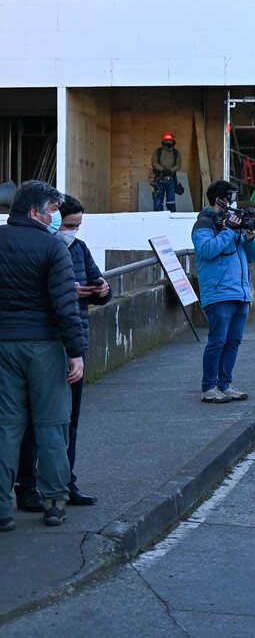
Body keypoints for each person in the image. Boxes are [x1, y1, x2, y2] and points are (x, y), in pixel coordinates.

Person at [14, 195, 110, 511]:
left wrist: (102, 291)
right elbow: (39, 295)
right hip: (45, 343)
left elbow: (98, 285)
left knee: (68, 420)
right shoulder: (41, 247)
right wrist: (72, 292)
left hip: (72, 341)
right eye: (69, 224)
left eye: (77, 226)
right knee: (31, 421)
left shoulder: (79, 249)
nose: (73, 231)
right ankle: (28, 487)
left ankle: (64, 483)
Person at [0, 181, 86, 529]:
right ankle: (54, 502)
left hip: (4, 345)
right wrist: (76, 352)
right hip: (46, 346)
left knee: (6, 426)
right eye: (52, 210)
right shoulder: (53, 249)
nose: (56, 217)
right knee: (52, 424)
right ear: (36, 212)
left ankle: (3, 510)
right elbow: (66, 307)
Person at [192, 180, 255, 403]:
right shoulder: (204, 224)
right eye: (230, 198)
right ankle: (209, 387)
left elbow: (253, 255)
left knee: (233, 342)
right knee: (217, 341)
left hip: (240, 293)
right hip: (219, 293)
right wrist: (229, 230)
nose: (233, 203)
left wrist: (250, 238)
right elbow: (207, 250)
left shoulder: (231, 223)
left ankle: (225, 384)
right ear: (219, 199)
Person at [151, 132, 182, 212]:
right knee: (158, 202)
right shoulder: (158, 151)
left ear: (173, 142)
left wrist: (170, 171)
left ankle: (172, 220)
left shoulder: (176, 153)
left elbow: (178, 165)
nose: (168, 142)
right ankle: (157, 219)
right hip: (159, 179)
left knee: (171, 202)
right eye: (166, 141)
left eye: (170, 141)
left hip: (171, 180)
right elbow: (154, 163)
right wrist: (163, 170)